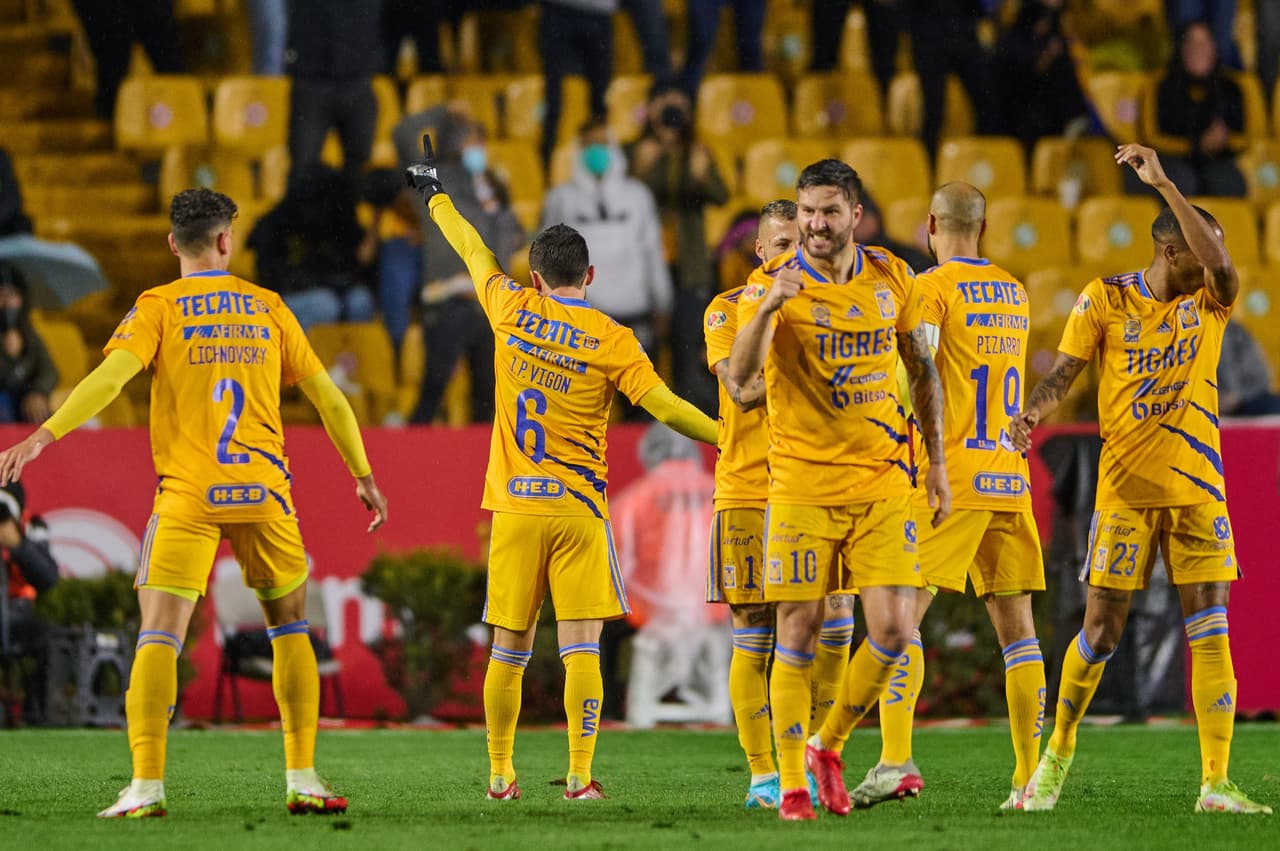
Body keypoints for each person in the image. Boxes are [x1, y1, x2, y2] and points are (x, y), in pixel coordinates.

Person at [0, 188, 389, 818]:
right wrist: (363, 474)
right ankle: (303, 776)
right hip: (263, 492)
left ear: (172, 243)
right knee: (291, 626)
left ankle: (147, 786)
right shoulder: (268, 307)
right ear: (227, 241)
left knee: (159, 634)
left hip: (189, 493)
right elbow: (330, 400)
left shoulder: (159, 306)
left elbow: (108, 380)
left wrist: (44, 436)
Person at [406, 134, 718, 801]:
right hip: (578, 512)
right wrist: (729, 436)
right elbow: (664, 405)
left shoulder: (511, 308)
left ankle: (498, 774)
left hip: (517, 507)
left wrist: (431, 188)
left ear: (536, 277)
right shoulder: (612, 338)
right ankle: (579, 776)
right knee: (581, 650)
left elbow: (471, 246)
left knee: (507, 653)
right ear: (591, 277)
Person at [1008, 144, 1271, 815]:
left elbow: (1224, 265)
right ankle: (1054, 758)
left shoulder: (1210, 302)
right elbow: (1064, 374)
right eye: (1196, 246)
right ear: (1168, 250)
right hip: (1124, 491)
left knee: (1209, 624)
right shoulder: (1105, 300)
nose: (1209, 259)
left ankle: (1215, 781)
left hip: (1196, 487)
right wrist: (1035, 409)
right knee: (1101, 628)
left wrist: (1165, 184)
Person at [728, 159, 951, 821]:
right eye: (806, 212)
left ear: (856, 215)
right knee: (795, 632)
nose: (815, 225)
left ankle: (830, 743)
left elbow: (923, 371)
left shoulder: (892, 276)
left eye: (828, 212)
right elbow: (741, 386)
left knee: (892, 627)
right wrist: (770, 304)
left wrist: (935, 463)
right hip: (800, 486)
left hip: (883, 480)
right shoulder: (773, 285)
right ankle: (793, 785)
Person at [851, 182, 1047, 811]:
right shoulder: (1014, 290)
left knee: (896, 620)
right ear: (983, 229)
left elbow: (923, 367)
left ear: (929, 224)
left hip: (950, 476)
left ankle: (893, 760)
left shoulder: (930, 288)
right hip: (1007, 478)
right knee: (1018, 634)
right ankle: (1027, 779)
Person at [704, 199, 855, 809]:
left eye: (801, 240)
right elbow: (738, 390)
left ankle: (816, 755)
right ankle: (763, 773)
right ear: (760, 251)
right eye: (781, 244)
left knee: (834, 624)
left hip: (820, 486)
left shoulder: (833, 302)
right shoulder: (726, 311)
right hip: (748, 488)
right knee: (754, 632)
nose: (794, 251)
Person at [392, 107, 524, 423]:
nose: (476, 149)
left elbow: (512, 237)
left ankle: (484, 466)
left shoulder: (490, 187)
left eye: (480, 142)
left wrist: (493, 205)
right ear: (455, 142)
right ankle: (409, 458)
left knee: (487, 398)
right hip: (445, 304)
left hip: (485, 306)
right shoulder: (432, 182)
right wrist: (443, 115)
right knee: (433, 388)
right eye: (470, 141)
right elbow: (403, 135)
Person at [629, 85, 729, 411]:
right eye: (665, 105)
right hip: (647, 267)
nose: (672, 114)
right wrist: (641, 167)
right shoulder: (638, 151)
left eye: (679, 105)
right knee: (646, 350)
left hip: (690, 267)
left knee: (689, 348)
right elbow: (628, 199)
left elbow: (721, 195)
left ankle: (695, 421)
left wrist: (701, 173)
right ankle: (645, 422)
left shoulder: (697, 152)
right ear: (651, 110)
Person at [541, 118, 672, 366]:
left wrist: (663, 303)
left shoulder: (638, 195)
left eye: (602, 143)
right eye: (589, 145)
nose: (596, 151)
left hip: (635, 315)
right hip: (584, 319)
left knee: (641, 400)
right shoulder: (560, 199)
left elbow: (652, 252)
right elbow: (548, 261)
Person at [247, 163, 377, 331]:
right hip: (289, 299)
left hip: (333, 292)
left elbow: (356, 265)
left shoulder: (341, 222)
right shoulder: (277, 224)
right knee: (325, 305)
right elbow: (272, 280)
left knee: (361, 300)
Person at [1138, 22, 1247, 198]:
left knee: (1229, 182)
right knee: (1179, 182)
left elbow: (1249, 138)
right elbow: (1151, 138)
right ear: (1180, 49)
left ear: (1214, 49)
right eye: (1191, 43)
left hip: (1219, 159)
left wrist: (1224, 141)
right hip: (1172, 160)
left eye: (1204, 43)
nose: (1198, 49)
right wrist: (1195, 145)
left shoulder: (1231, 88)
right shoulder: (1160, 87)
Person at [284, 0, 382, 186]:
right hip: (311, 78)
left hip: (358, 77)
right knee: (303, 167)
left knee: (360, 166)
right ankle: (301, 213)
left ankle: (349, 214)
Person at [0, 478, 59, 726]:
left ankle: (37, 715)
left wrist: (19, 546)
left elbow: (48, 578)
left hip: (17, 617)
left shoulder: (32, 526)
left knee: (49, 638)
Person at [995, 0, 1091, 152]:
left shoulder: (1055, 35)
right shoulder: (1014, 37)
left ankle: (1075, 118)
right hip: (1020, 116)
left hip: (1051, 115)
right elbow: (1019, 73)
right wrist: (1046, 57)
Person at [538, 0, 616, 167]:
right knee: (553, 100)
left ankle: (603, 165)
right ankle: (545, 166)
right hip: (557, 9)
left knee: (600, 101)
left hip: (599, 13)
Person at [0, 263, 58, 426]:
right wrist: (8, 357)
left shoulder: (28, 332)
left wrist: (39, 392)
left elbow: (49, 370)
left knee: (44, 414)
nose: (6, 302)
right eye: (0, 295)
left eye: (12, 295)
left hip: (25, 399)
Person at [1217, 320, 1280, 416]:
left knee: (1274, 404)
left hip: (1244, 401)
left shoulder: (1236, 331)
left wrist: (1237, 397)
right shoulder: (1193, 333)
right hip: (1204, 401)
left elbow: (1262, 378)